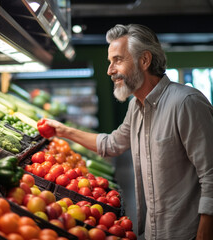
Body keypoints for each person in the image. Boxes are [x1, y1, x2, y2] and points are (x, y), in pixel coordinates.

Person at [46, 24, 213, 240]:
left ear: (144, 60)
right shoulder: (136, 106)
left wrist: (204, 234)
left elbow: (211, 175)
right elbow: (112, 144)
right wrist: (62, 130)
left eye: (118, 60)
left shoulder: (186, 103)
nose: (110, 70)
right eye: (109, 62)